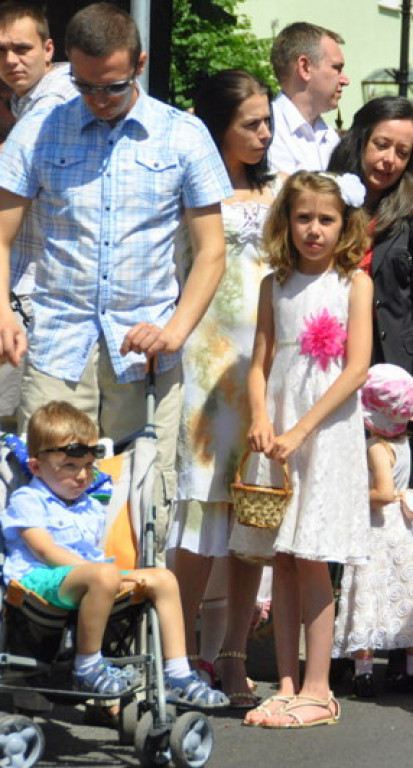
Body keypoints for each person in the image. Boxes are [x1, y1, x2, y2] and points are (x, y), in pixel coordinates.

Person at [0, 2, 232, 560]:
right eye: (84, 86)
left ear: (140, 64)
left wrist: (175, 331)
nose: (98, 99)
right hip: (58, 346)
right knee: (44, 505)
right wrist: (3, 311)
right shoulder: (40, 129)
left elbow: (212, 252)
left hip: (146, 357)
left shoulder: (183, 134)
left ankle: (129, 610)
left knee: (141, 511)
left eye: (113, 86)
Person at [239, 171, 372, 728]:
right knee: (285, 555)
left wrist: (301, 430)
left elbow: (356, 368)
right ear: (287, 223)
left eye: (326, 219)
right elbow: (259, 362)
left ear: (345, 225)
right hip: (280, 426)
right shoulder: (275, 284)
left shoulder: (353, 284)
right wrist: (262, 417)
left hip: (326, 429)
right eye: (303, 218)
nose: (314, 230)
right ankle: (288, 682)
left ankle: (320, 687)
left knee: (313, 553)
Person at [1, 401, 228, 707]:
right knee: (105, 573)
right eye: (69, 466)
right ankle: (87, 666)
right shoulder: (28, 499)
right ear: (36, 467)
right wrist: (97, 573)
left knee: (163, 579)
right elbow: (44, 549)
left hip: (91, 579)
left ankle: (177, 675)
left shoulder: (90, 505)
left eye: (88, 465)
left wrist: (106, 575)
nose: (82, 476)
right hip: (39, 580)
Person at [167, 69, 276, 707]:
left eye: (267, 121)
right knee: (199, 510)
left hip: (260, 365)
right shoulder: (187, 185)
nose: (264, 133)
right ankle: (178, 658)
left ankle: (233, 655)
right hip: (203, 364)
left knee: (251, 513)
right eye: (250, 123)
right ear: (216, 126)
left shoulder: (280, 191)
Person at [327, 95, 413, 600]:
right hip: (330, 365)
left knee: (395, 499)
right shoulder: (328, 197)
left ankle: (397, 622)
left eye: (401, 152)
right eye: (381, 145)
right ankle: (334, 616)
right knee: (337, 493)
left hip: (394, 376)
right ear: (360, 138)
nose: (389, 160)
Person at [334, 363, 413, 698]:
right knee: (406, 592)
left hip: (377, 531)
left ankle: (364, 673)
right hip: (401, 531)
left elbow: (382, 493)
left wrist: (351, 494)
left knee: (369, 594)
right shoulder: (404, 444)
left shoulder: (376, 448)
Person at [0, 2, 79, 430]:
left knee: (23, 428)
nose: (11, 60)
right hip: (30, 290)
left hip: (38, 296)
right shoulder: (29, 101)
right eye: (1, 51)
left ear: (48, 49)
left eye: (22, 48)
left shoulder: (53, 100)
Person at [266, 22, 348, 174]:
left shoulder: (330, 137)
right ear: (305, 68)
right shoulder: (268, 133)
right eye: (336, 68)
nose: (345, 80)